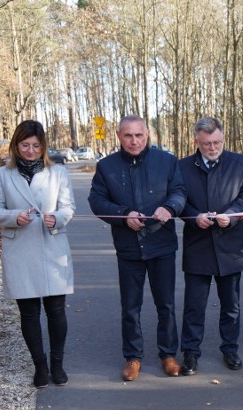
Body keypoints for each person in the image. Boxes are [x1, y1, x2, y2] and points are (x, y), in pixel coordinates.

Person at [88, 115, 186, 381]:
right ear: (119, 136)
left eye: (139, 135)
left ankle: (168, 354)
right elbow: (96, 200)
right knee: (130, 306)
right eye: (128, 136)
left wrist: (169, 207)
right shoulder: (106, 166)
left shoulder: (166, 161)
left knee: (165, 304)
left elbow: (179, 191)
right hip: (128, 247)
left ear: (147, 135)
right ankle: (133, 357)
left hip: (162, 244)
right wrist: (122, 214)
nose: (134, 141)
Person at [0, 120, 75, 388]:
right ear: (16, 145)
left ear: (43, 146)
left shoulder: (58, 172)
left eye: (36, 146)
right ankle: (40, 365)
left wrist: (57, 218)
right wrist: (15, 217)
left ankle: (57, 364)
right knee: (28, 312)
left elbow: (68, 207)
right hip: (20, 249)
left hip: (52, 247)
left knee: (56, 310)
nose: (30, 150)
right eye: (25, 145)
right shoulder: (3, 174)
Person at [178, 117, 243, 376]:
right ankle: (190, 352)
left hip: (231, 245)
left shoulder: (242, 163)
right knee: (194, 305)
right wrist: (193, 216)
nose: (213, 148)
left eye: (217, 142)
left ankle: (230, 348)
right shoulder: (183, 167)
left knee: (231, 304)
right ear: (196, 142)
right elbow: (178, 200)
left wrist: (232, 215)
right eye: (207, 143)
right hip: (198, 244)